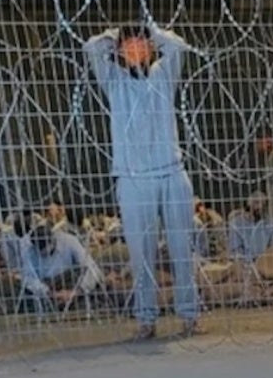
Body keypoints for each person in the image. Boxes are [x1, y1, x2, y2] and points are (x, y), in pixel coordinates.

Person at [83, 22, 203, 338]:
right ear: (120, 51)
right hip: (134, 180)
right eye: (129, 44)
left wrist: (151, 30)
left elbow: (178, 45)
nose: (136, 47)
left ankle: (190, 316)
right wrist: (115, 36)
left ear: (150, 48)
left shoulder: (164, 75)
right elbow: (91, 48)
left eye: (141, 43)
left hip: (172, 173)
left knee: (182, 250)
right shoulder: (115, 82)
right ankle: (146, 319)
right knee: (141, 254)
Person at [20, 223, 103, 306]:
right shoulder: (30, 252)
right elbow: (29, 279)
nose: (45, 252)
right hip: (47, 288)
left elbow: (93, 269)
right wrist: (50, 293)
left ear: (52, 238)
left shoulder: (69, 241)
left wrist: (76, 292)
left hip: (73, 282)